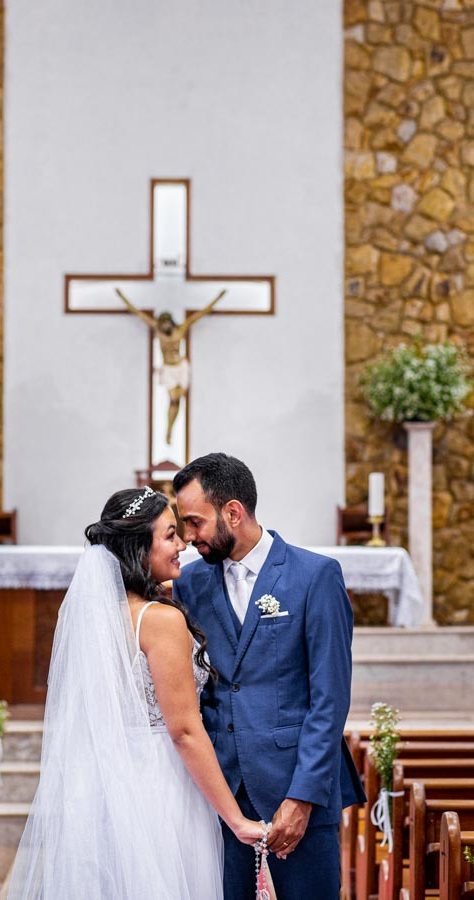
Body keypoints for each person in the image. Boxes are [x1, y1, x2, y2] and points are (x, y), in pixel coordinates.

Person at [7, 485, 263, 899]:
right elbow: (184, 731)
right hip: (161, 784)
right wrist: (236, 820)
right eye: (169, 536)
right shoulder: (159, 620)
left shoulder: (96, 618)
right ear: (139, 549)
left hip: (105, 783)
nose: (182, 545)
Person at [172, 453, 367, 900]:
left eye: (195, 522)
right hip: (221, 795)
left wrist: (303, 797)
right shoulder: (190, 584)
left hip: (297, 788)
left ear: (233, 512)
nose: (188, 537)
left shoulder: (314, 576)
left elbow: (329, 699)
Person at [116, 287, 226, 443]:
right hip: (168, 368)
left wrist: (218, 298)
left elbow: (200, 314)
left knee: (178, 400)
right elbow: (138, 313)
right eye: (163, 324)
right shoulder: (157, 329)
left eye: (167, 323)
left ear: (171, 322)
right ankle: (168, 430)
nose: (165, 326)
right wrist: (122, 297)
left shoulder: (180, 329)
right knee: (173, 399)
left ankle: (171, 428)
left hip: (181, 367)